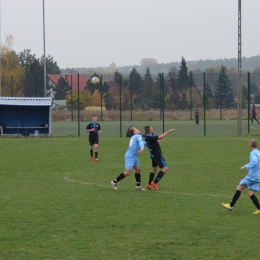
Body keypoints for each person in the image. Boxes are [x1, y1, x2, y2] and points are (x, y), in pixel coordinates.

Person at [222, 139, 260, 214]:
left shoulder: (253, 153)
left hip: (252, 176)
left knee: (239, 188)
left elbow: (254, 162)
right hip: (258, 175)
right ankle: (259, 209)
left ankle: (230, 205)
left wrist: (245, 167)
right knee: (250, 192)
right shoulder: (259, 152)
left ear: (250, 145)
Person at [111, 126, 145, 191]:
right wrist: (142, 148)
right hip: (130, 156)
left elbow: (143, 142)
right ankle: (114, 182)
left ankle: (138, 185)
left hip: (134, 156)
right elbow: (141, 143)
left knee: (138, 170)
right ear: (134, 132)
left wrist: (153, 141)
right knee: (127, 173)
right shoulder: (137, 136)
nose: (138, 129)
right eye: (137, 129)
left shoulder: (134, 137)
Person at [143, 126, 175, 191]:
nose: (153, 129)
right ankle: (155, 182)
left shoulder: (146, 137)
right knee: (165, 169)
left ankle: (149, 184)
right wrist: (168, 131)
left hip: (152, 155)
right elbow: (161, 137)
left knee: (154, 170)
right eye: (152, 128)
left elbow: (147, 145)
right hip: (157, 155)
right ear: (150, 131)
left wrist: (155, 142)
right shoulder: (151, 137)